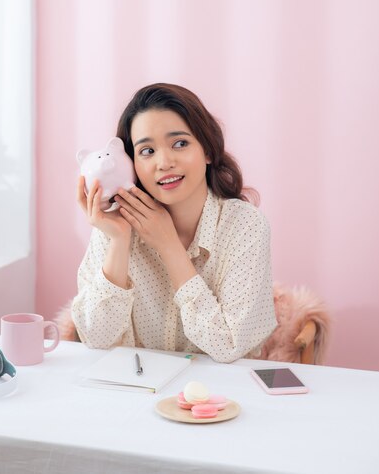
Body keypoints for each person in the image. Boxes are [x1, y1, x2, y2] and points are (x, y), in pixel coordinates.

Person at [72, 83, 277, 363]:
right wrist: (119, 241)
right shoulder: (115, 223)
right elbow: (95, 337)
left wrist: (169, 246)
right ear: (131, 164)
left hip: (220, 398)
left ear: (207, 150)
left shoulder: (244, 226)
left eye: (180, 143)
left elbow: (229, 345)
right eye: (147, 151)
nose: (164, 162)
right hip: (138, 395)